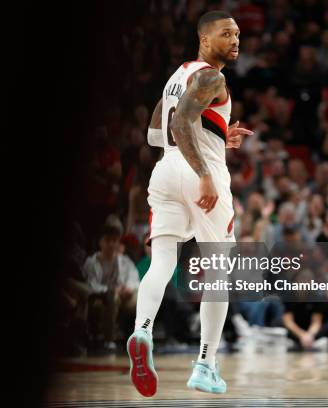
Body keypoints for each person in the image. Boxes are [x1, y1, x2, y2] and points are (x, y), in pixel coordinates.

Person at [127, 10, 253, 396]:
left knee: (164, 259)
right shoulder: (212, 76)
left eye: (237, 34)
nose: (235, 41)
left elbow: (154, 134)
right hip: (198, 172)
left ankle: (141, 331)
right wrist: (203, 172)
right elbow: (182, 125)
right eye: (226, 34)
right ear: (204, 39)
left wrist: (217, 134)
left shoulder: (177, 76)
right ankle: (205, 364)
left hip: (164, 170)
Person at [83, 218, 140, 352]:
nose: (111, 244)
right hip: (100, 299)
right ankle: (109, 339)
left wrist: (128, 288)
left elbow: (134, 279)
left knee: (138, 298)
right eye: (108, 240)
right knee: (112, 297)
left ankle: (136, 337)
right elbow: (91, 285)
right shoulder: (92, 262)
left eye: (115, 240)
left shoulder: (124, 261)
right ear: (101, 242)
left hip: (121, 298)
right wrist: (112, 290)